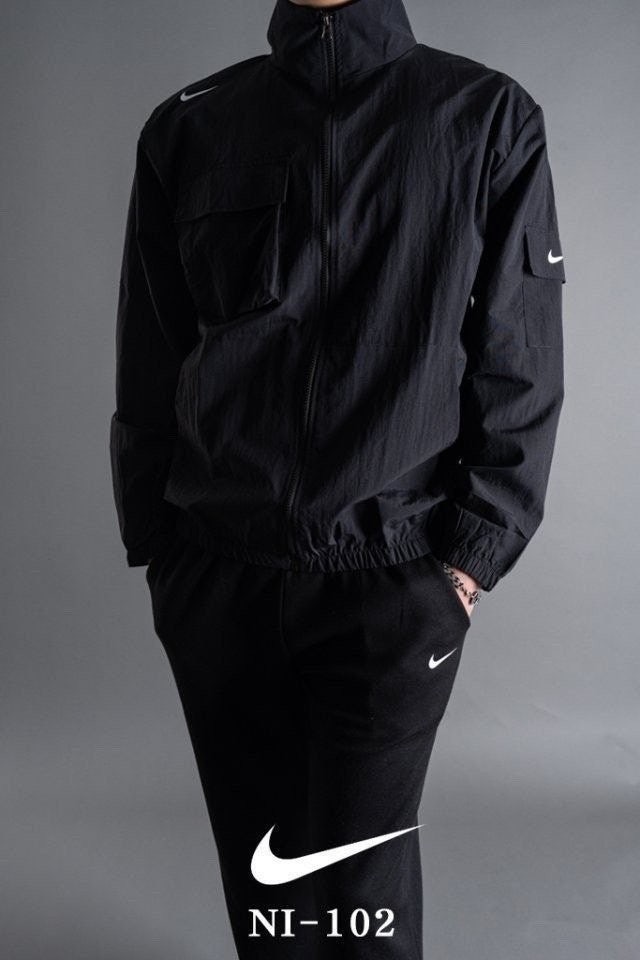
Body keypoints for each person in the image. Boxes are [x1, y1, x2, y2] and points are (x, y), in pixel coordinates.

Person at [109, 0, 565, 956]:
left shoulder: (485, 115)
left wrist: (470, 560)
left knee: (362, 901)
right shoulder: (191, 123)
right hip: (217, 577)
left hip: (393, 582)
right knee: (265, 891)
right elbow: (153, 354)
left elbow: (519, 356)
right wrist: (160, 546)